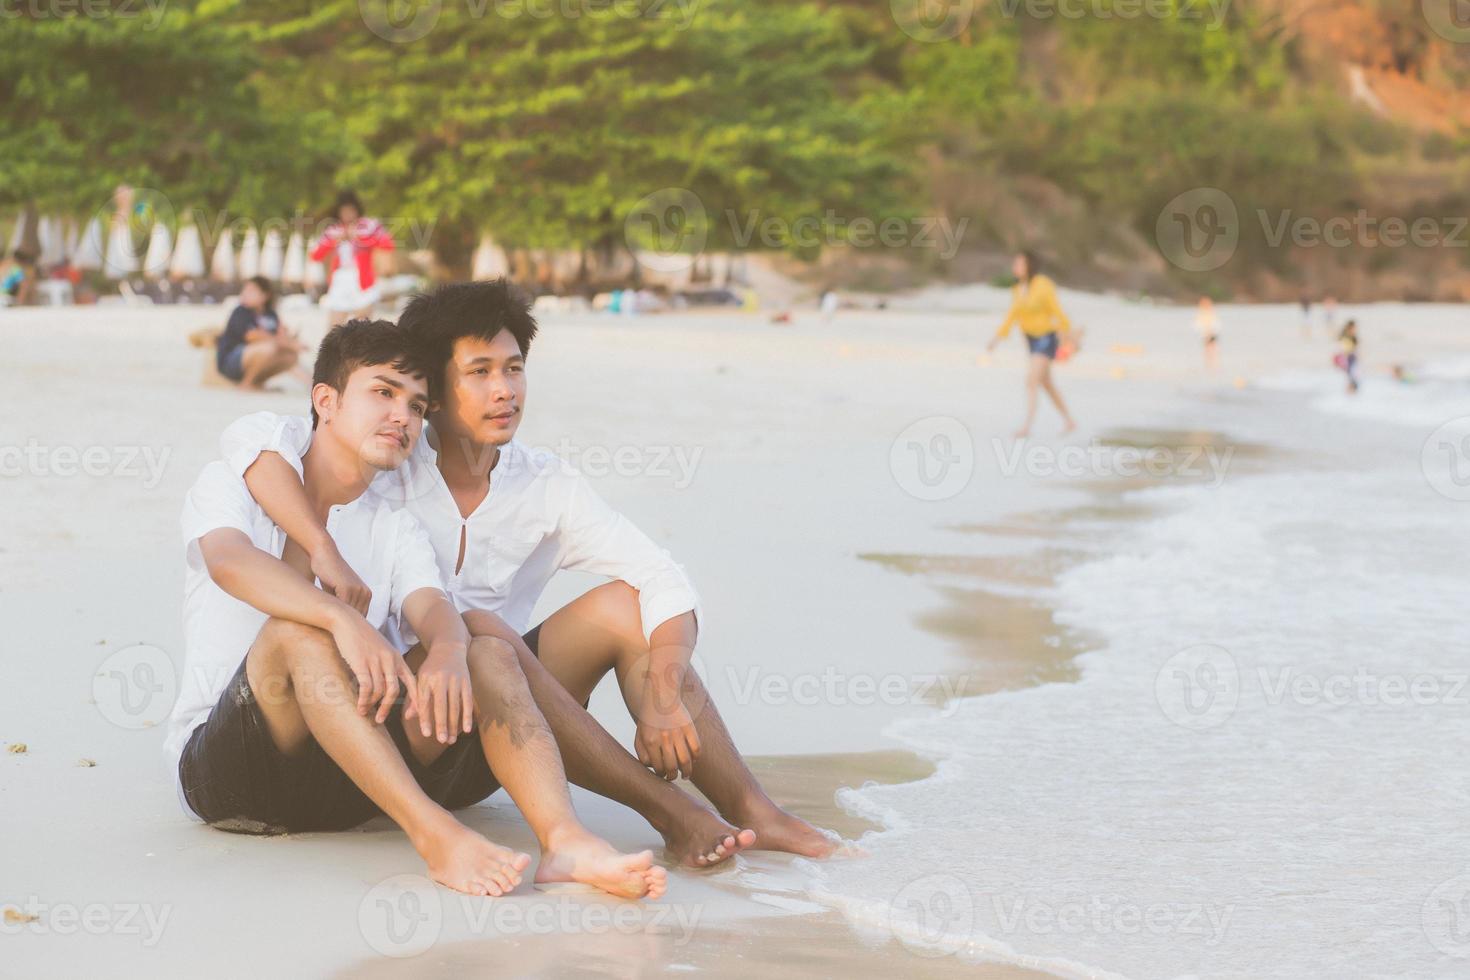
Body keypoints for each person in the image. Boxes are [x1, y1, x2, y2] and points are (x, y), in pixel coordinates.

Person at [219, 280, 837, 867]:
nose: (504, 391)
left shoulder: (546, 485)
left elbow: (662, 576)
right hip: (396, 718)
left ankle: (754, 808)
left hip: (507, 722)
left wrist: (667, 690)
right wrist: (323, 551)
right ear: (432, 388)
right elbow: (268, 444)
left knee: (622, 610)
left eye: (513, 368)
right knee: (480, 630)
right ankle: (667, 812)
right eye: (480, 372)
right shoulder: (386, 461)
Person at [170, 318, 666, 899]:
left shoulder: (392, 523)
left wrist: (453, 650)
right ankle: (437, 838)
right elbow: (228, 561)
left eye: (417, 404)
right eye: (382, 392)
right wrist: (341, 617)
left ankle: (565, 841)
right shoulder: (234, 481)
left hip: (349, 779)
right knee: (295, 632)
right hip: (232, 775)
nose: (401, 416)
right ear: (325, 401)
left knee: (485, 649)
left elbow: (430, 604)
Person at [986, 251, 1078, 438]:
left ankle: (1026, 426)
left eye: (1019, 264)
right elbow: (1012, 315)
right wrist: (997, 338)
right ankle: (1069, 421)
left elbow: (1056, 310)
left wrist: (1067, 334)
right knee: (1046, 383)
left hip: (1046, 338)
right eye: (1015, 264)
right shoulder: (1018, 288)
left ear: (1029, 266)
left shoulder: (1043, 285)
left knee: (1031, 380)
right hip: (1030, 340)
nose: (1015, 267)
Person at [312, 190, 394, 327]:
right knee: (334, 326)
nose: (348, 215)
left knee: (363, 325)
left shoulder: (368, 226)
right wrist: (335, 241)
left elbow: (387, 243)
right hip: (340, 279)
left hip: (363, 280)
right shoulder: (333, 230)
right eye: (344, 212)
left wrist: (360, 238)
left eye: (351, 211)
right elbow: (316, 255)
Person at [216, 276, 306, 389]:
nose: (245, 293)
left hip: (257, 356)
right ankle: (247, 383)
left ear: (265, 296)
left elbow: (280, 335)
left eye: (251, 291)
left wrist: (289, 340)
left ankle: (257, 382)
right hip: (231, 360)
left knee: (290, 356)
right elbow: (252, 336)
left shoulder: (270, 314)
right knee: (269, 347)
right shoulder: (240, 311)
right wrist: (287, 343)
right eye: (245, 290)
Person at [1195, 296, 1220, 372]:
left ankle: (1213, 364)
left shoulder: (1210, 312)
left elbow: (1215, 323)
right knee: (1208, 348)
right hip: (1206, 333)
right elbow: (1198, 324)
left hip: (1211, 332)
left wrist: (1210, 331)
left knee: (1212, 348)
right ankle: (1210, 364)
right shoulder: (1202, 313)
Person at [1336, 319, 1360, 394]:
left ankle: (1351, 388)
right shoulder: (1344, 335)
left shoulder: (1352, 336)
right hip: (1346, 355)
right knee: (1349, 373)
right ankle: (1350, 388)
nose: (1355, 329)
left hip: (1350, 355)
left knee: (1350, 373)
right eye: (1354, 327)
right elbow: (1341, 344)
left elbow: (1355, 346)